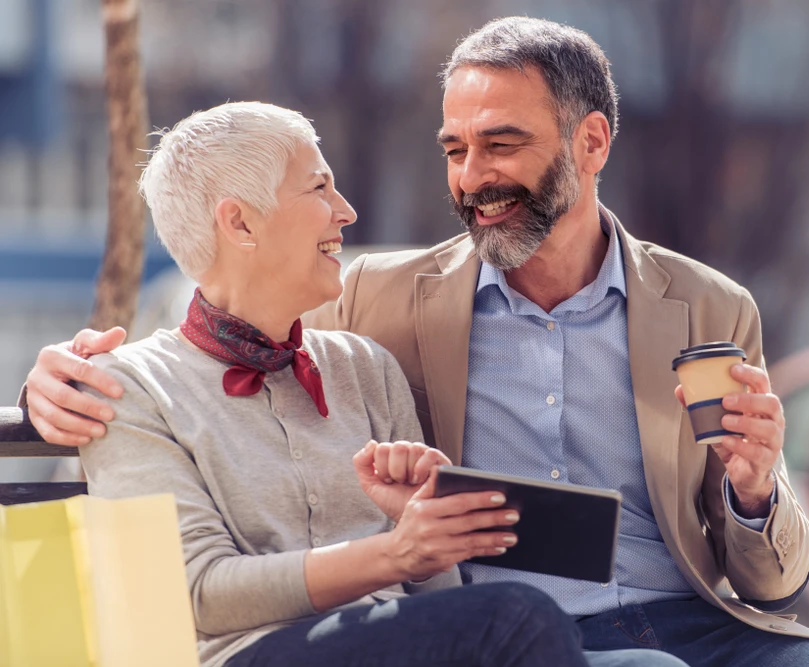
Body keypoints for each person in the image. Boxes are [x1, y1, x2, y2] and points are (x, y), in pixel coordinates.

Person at [23, 17, 809, 667]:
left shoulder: (707, 307)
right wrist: (53, 384)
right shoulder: (374, 301)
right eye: (455, 149)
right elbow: (222, 323)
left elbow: (775, 578)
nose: (472, 177)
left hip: (683, 614)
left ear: (592, 143)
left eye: (501, 144)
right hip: (507, 632)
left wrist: (756, 491)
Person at [61, 101, 682, 667]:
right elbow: (195, 593)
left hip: (399, 646)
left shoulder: (363, 367)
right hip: (249, 655)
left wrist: (427, 531)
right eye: (319, 187)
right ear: (241, 224)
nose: (346, 211)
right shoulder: (129, 388)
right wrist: (392, 555)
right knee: (516, 614)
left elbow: (434, 597)